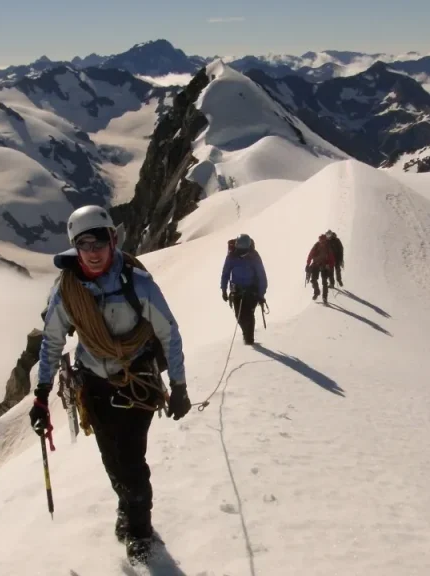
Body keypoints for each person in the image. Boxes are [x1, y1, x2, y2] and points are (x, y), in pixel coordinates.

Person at [29, 205, 191, 564]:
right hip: (96, 388)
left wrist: (178, 386)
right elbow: (52, 342)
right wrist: (41, 396)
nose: (93, 249)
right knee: (112, 461)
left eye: (99, 239)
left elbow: (169, 333)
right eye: (84, 242)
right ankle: (126, 505)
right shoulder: (68, 291)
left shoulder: (138, 284)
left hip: (136, 383)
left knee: (131, 462)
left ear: (113, 239)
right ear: (75, 246)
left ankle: (140, 533)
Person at [220, 234, 268, 345]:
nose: (240, 253)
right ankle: (246, 334)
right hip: (237, 290)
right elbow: (225, 273)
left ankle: (249, 339)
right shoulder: (232, 256)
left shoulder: (254, 256)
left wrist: (261, 294)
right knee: (239, 314)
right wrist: (223, 289)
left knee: (248, 314)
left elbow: (261, 275)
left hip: (251, 291)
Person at [306, 234, 336, 303]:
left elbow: (332, 259)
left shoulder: (328, 248)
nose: (322, 242)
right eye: (321, 241)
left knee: (324, 282)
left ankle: (324, 297)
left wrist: (330, 266)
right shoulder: (316, 246)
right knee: (313, 279)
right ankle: (317, 292)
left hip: (325, 266)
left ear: (325, 241)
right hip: (316, 264)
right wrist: (308, 264)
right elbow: (310, 255)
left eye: (323, 241)